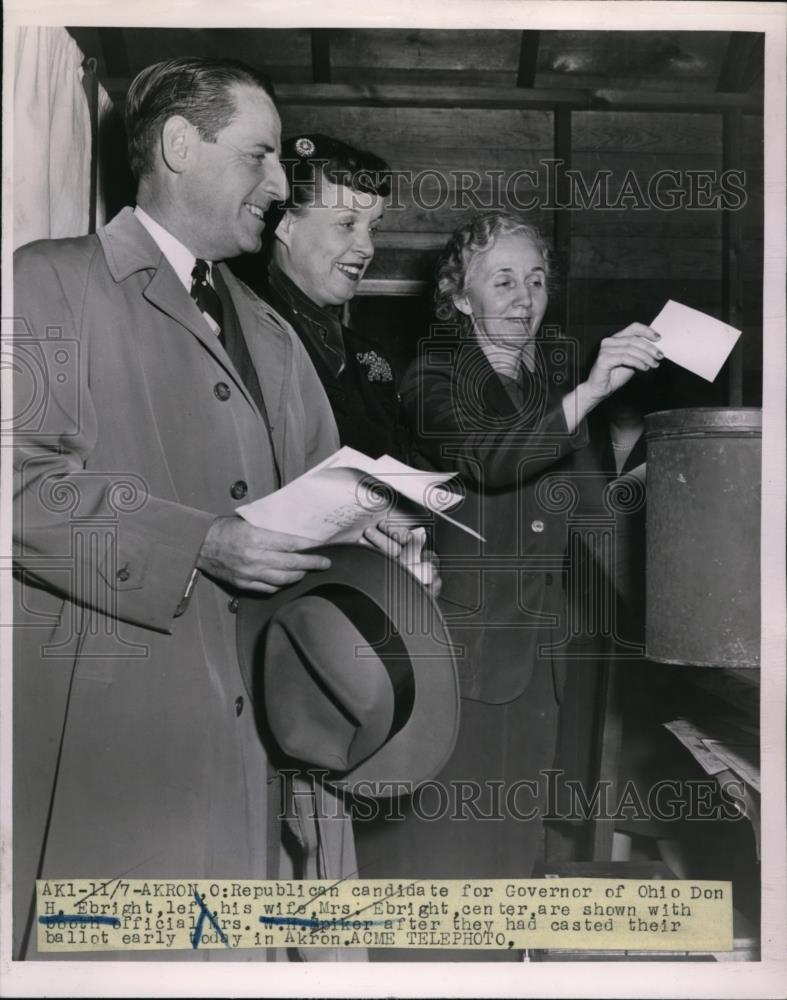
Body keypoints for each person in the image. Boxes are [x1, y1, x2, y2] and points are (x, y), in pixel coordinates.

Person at [11, 57, 373, 962]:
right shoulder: (48, 281)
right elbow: (18, 485)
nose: (281, 185)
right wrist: (200, 543)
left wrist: (379, 542)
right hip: (125, 742)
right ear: (179, 145)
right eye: (258, 156)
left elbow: (323, 494)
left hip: (261, 738)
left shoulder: (272, 330)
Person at [356, 210, 663, 961]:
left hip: (536, 666)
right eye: (502, 280)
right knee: (435, 878)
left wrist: (676, 616)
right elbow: (491, 457)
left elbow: (597, 519)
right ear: (460, 297)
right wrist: (590, 393)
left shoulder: (546, 387)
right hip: (452, 661)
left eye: (535, 280)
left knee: (503, 878)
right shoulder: (433, 376)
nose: (524, 297)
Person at [233, 133, 408, 462]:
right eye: (346, 224)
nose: (367, 248)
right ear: (286, 225)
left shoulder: (369, 358)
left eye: (373, 228)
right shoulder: (238, 329)